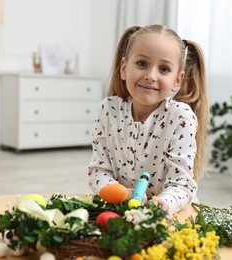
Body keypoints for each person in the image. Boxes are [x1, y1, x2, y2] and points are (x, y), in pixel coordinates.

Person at [88, 24, 209, 217]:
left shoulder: (180, 117)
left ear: (177, 81)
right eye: (142, 64)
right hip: (123, 210)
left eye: (164, 69)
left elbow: (182, 184)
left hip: (173, 213)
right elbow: (98, 171)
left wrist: (162, 205)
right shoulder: (108, 110)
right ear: (124, 68)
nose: (151, 76)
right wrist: (119, 194)